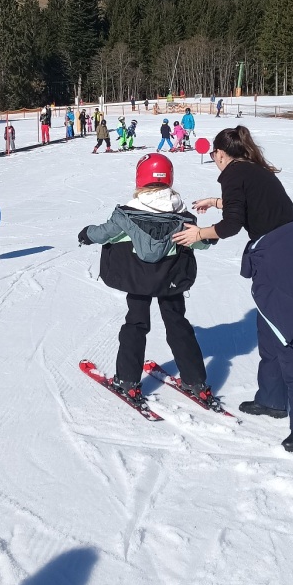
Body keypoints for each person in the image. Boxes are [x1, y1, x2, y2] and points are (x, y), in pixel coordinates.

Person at [173, 125, 293, 453]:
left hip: (281, 258)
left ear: (221, 153)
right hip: (288, 249)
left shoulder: (234, 173)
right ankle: (272, 399)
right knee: (267, 329)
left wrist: (199, 234)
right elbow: (253, 204)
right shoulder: (253, 170)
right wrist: (217, 201)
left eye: (214, 155)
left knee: (285, 337)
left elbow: (232, 225)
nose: (214, 161)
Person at [78, 152, 211, 402]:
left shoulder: (126, 214)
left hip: (137, 280)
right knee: (177, 324)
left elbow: (103, 233)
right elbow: (201, 242)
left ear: (140, 178)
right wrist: (208, 237)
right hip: (170, 280)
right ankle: (196, 382)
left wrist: (86, 234)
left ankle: (128, 381)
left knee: (136, 324)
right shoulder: (182, 216)